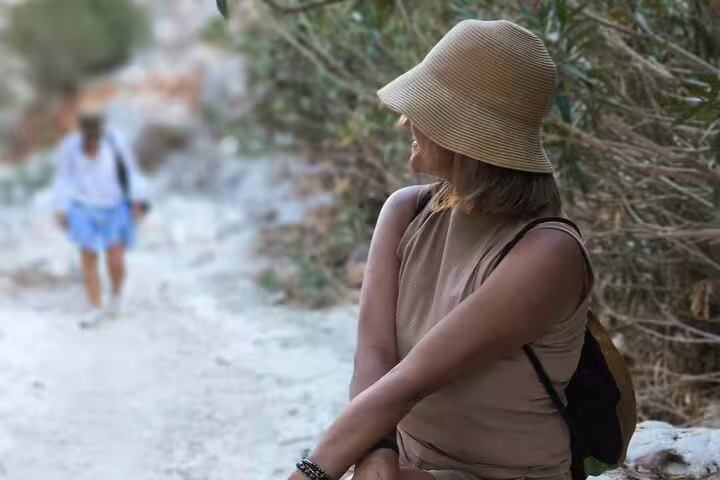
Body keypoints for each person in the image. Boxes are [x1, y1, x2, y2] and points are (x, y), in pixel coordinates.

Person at [289, 20, 593, 480]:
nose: (405, 120)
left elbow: (413, 381)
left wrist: (311, 473)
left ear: (466, 135)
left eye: (425, 111)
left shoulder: (547, 252)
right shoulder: (405, 212)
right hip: (413, 467)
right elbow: (374, 353)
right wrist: (379, 450)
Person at [52, 104, 149, 328]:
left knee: (115, 259)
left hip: (115, 206)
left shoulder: (116, 143)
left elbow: (131, 172)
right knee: (88, 259)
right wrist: (61, 208)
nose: (92, 136)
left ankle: (116, 296)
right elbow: (64, 179)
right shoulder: (71, 147)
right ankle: (95, 307)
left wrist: (137, 200)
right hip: (83, 206)